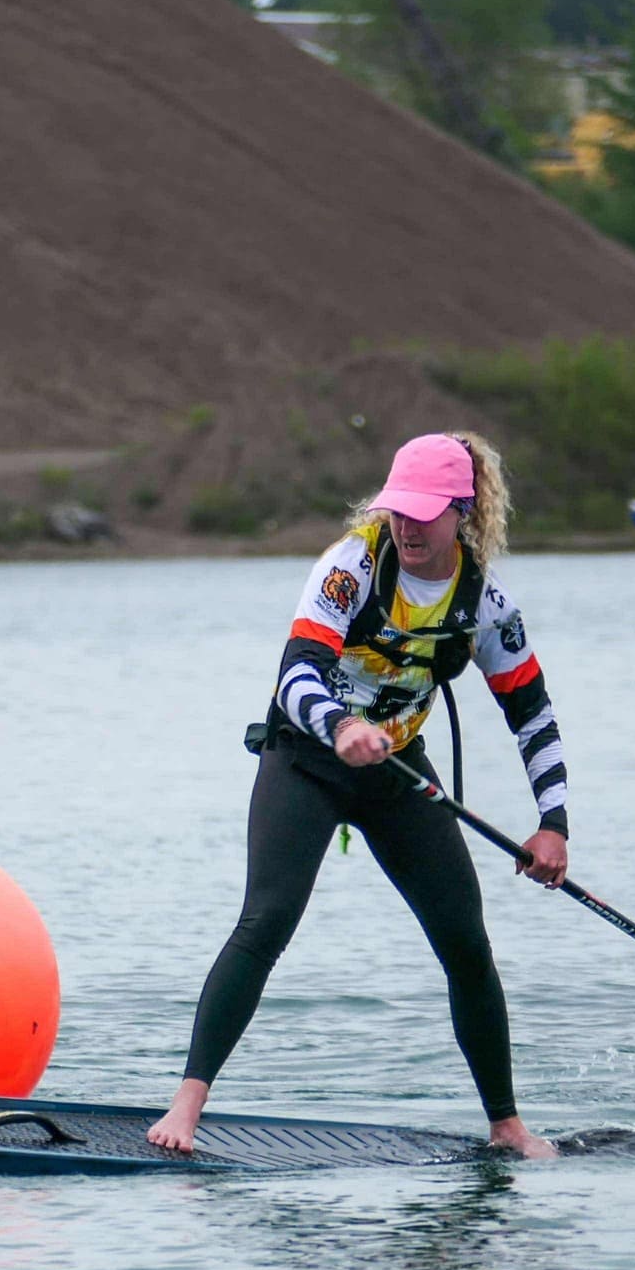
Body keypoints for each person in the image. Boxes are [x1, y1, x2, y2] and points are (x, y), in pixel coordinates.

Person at [147, 432, 570, 1161]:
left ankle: (507, 1125)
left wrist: (553, 823)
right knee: (266, 920)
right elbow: (296, 671)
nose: (406, 526)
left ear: (460, 512)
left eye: (424, 513)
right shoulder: (350, 568)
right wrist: (341, 724)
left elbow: (531, 711)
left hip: (398, 772)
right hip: (306, 761)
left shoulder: (487, 602)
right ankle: (185, 1105)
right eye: (397, 509)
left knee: (466, 942)